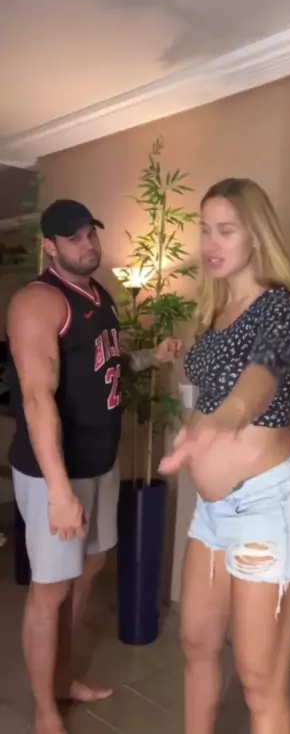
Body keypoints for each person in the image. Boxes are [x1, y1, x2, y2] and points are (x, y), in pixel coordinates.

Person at [158, 177, 290, 734]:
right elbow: (206, 392)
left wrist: (224, 419)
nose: (211, 243)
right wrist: (196, 423)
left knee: (259, 679)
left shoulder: (279, 307)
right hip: (213, 513)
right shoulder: (213, 310)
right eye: (205, 229)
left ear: (256, 234)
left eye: (226, 230)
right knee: (196, 644)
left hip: (269, 509)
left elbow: (261, 376)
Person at [7, 199, 179, 734]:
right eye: (74, 237)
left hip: (100, 464)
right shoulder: (37, 303)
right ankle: (44, 710)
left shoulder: (99, 295)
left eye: (90, 234)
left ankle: (62, 678)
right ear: (49, 246)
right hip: (54, 473)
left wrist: (151, 357)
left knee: (88, 569)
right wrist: (59, 493)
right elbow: (37, 399)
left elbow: (108, 361)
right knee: (50, 590)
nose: (87, 245)